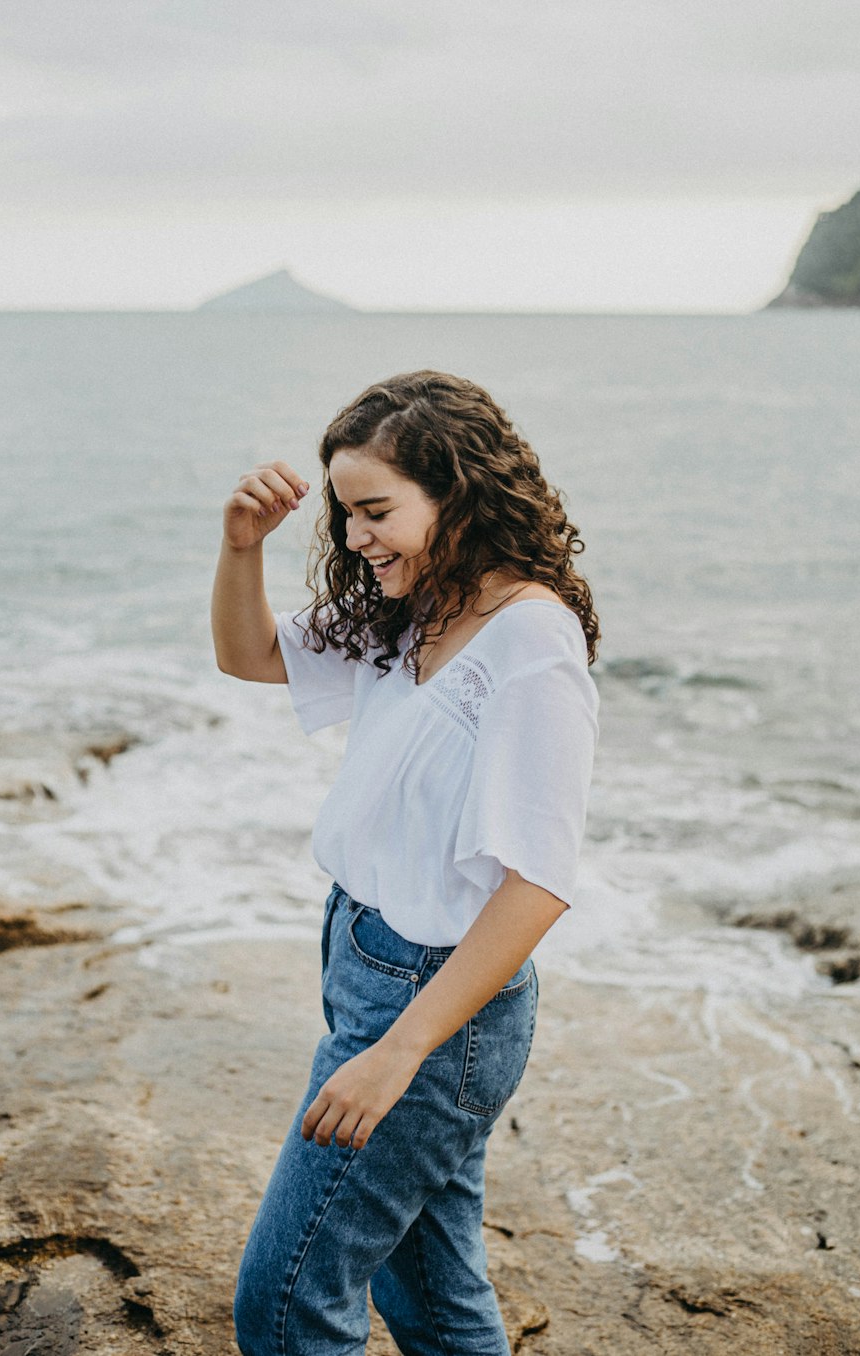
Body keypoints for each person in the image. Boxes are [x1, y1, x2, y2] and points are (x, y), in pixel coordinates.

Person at [213, 369, 600, 1356]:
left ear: (459, 493)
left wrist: (398, 1052)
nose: (354, 539)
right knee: (427, 1284)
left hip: (432, 1003)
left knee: (288, 1299)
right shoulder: (411, 608)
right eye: (344, 514)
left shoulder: (530, 645)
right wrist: (240, 546)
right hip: (364, 955)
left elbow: (539, 883)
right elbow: (251, 655)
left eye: (376, 510)